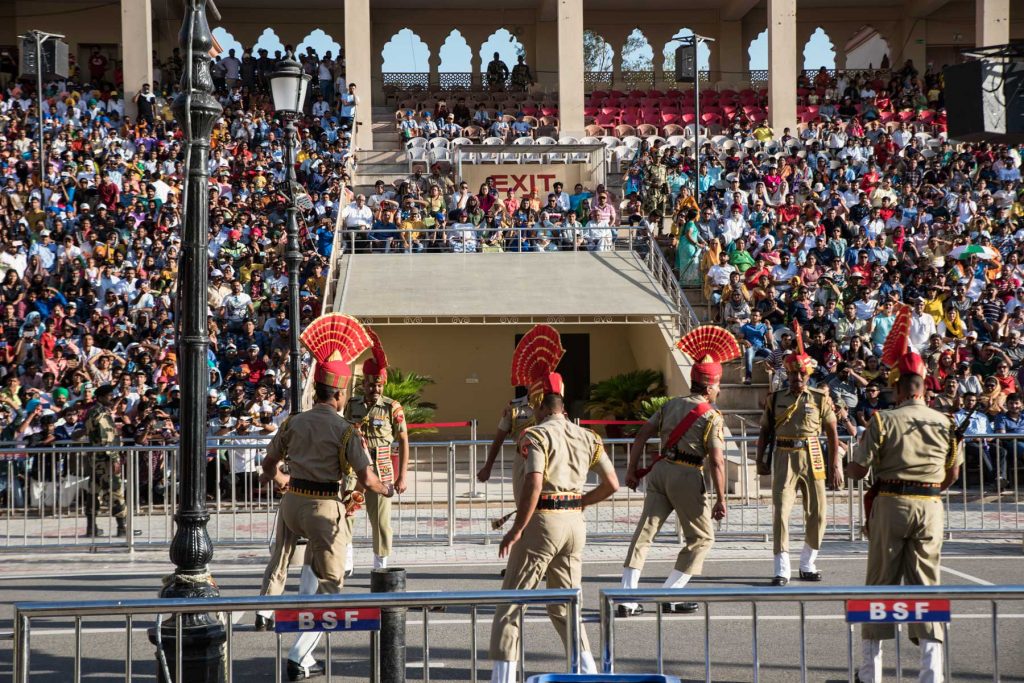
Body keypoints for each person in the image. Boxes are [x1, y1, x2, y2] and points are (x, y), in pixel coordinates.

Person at [259, 314, 393, 681]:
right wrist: (387, 488)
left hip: (292, 504)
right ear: (338, 393)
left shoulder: (293, 422)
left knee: (287, 561)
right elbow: (366, 476)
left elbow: (268, 463)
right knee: (333, 587)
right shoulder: (344, 429)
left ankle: (267, 609)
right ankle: (299, 655)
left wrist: (282, 479)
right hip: (325, 508)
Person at [488, 374, 619, 683]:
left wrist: (516, 528)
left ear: (540, 406)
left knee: (511, 604)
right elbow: (612, 483)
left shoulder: (535, 436)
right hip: (575, 524)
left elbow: (534, 481)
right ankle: (588, 673)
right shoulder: (588, 437)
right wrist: (581, 501)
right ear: (561, 404)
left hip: (543, 523)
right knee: (566, 604)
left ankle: (502, 680)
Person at [846, 347, 961, 683]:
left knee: (879, 585)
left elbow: (856, 470)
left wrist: (854, 456)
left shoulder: (883, 420)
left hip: (891, 503)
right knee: (927, 587)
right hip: (930, 506)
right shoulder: (947, 422)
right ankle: (932, 673)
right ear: (923, 387)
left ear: (898, 388)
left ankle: (871, 673)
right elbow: (951, 476)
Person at [618, 325, 738, 617]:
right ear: (710, 386)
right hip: (686, 473)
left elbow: (642, 435)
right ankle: (669, 595)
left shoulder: (671, 404)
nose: (719, 390)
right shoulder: (712, 416)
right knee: (702, 539)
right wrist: (721, 499)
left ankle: (626, 597)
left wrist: (632, 470)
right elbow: (718, 461)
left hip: (660, 471)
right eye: (718, 385)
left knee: (643, 535)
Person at [756, 323, 842, 585]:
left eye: (801, 376)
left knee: (818, 511)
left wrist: (835, 464)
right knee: (781, 511)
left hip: (813, 451)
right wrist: (761, 459)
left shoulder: (818, 398)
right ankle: (782, 568)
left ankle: (808, 562)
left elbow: (831, 432)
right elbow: (764, 431)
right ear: (788, 375)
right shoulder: (776, 397)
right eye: (793, 376)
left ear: (808, 377)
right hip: (784, 453)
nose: (797, 380)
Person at [344, 331, 408, 571]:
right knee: (349, 511)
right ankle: (346, 559)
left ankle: (380, 565)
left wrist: (402, 475)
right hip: (355, 469)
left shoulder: (393, 407)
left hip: (381, 470)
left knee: (381, 521)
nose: (375, 389)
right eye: (371, 384)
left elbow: (403, 440)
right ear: (364, 384)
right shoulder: (353, 405)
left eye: (379, 384)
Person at [82, 384, 129, 537]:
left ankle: (91, 527)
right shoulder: (100, 413)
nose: (112, 397)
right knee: (115, 491)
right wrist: (115, 458)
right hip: (105, 460)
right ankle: (122, 527)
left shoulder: (93, 411)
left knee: (94, 491)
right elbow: (106, 437)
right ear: (101, 397)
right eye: (109, 395)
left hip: (95, 459)